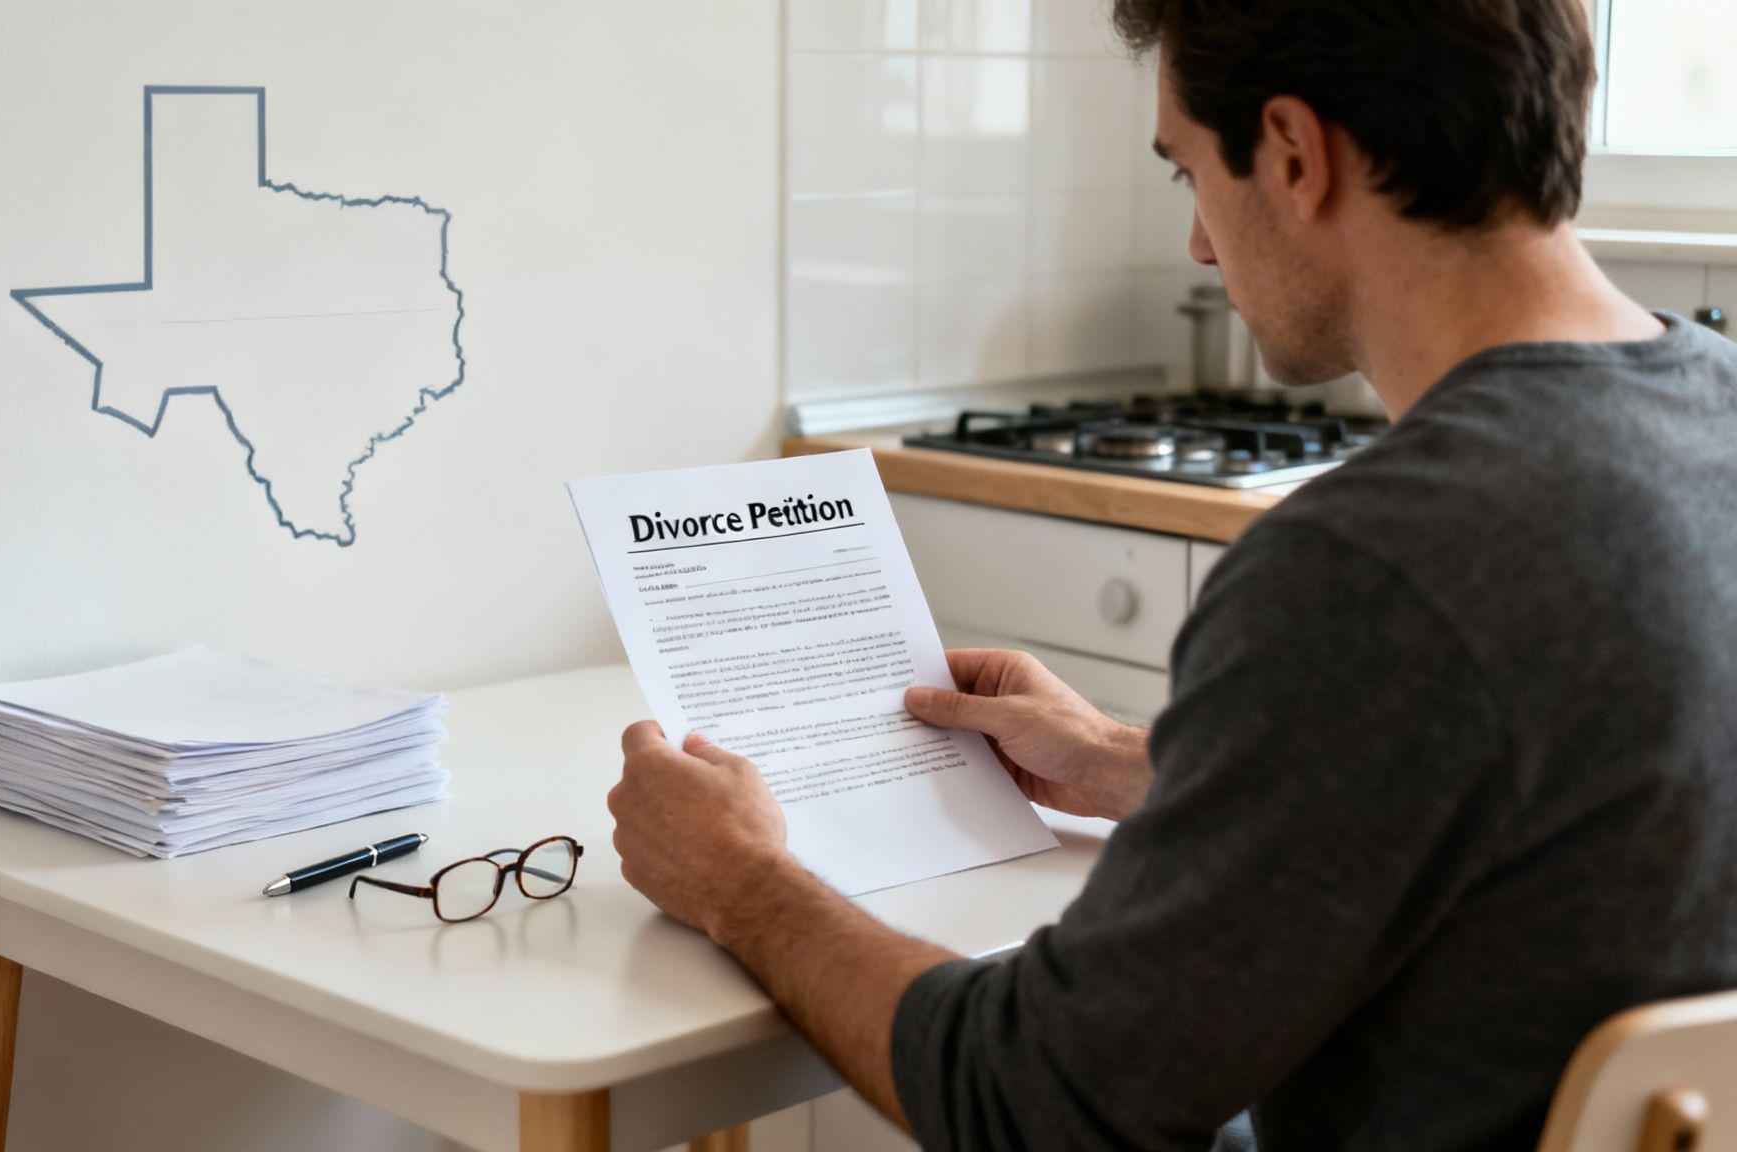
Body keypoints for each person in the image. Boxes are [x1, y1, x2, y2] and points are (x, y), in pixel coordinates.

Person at [606, 1, 1737, 1149]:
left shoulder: (1374, 563)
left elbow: (1036, 1097)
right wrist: (1130, 764)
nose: (1198, 243)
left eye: (1186, 171)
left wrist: (736, 880)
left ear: (1293, 155)